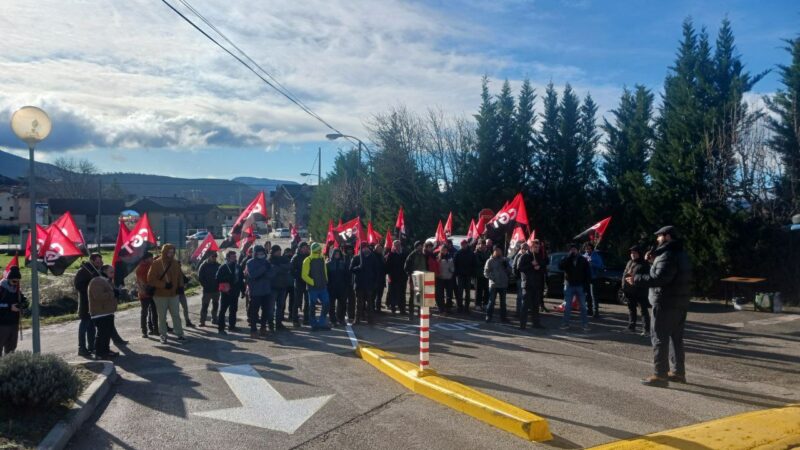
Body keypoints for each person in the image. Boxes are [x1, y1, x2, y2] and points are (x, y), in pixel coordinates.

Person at [626, 226, 692, 388]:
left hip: (665, 302)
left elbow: (659, 278)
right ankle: (678, 372)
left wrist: (636, 278)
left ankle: (660, 375)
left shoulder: (667, 255)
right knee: (675, 338)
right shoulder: (681, 254)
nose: (657, 239)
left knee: (659, 338)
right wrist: (653, 261)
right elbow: (668, 274)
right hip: (680, 302)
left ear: (667, 237)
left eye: (659, 236)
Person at [147, 244, 186, 343]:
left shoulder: (176, 263)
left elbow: (180, 276)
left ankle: (180, 334)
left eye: (173, 252)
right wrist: (163, 285)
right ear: (164, 252)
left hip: (174, 294)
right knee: (162, 316)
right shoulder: (156, 263)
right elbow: (151, 280)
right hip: (160, 295)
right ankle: (163, 335)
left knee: (176, 315)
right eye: (169, 252)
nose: (171, 254)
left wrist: (181, 287)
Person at [75, 253, 103, 357]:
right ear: (91, 261)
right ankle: (81, 348)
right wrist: (90, 286)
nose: (99, 263)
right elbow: (78, 285)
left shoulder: (96, 271)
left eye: (100, 262)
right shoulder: (83, 271)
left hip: (94, 304)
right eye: (97, 262)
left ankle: (92, 346)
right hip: (85, 303)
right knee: (84, 325)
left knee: (92, 327)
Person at [89, 265, 120, 359]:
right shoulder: (96, 281)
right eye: (111, 272)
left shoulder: (106, 281)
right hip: (100, 312)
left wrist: (116, 292)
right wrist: (113, 293)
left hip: (107, 311)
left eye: (113, 272)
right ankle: (100, 353)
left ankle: (105, 350)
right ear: (104, 271)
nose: (113, 274)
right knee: (102, 334)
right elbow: (98, 296)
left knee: (107, 333)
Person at [559, 243, 591, 331]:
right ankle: (565, 324)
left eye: (575, 249)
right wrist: (569, 257)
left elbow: (587, 274)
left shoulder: (583, 260)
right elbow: (560, 266)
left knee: (583, 307)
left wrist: (586, 286)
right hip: (569, 285)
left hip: (580, 286)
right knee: (568, 306)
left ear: (578, 250)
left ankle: (585, 324)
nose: (573, 251)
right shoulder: (566, 259)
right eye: (571, 249)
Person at [246, 245, 275, 338]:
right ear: (255, 253)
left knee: (265, 311)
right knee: (254, 312)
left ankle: (263, 328)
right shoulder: (250, 262)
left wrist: (264, 273)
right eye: (259, 253)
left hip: (266, 290)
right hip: (255, 292)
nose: (261, 254)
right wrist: (263, 269)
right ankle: (253, 330)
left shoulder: (267, 262)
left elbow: (271, 274)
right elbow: (253, 275)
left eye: (262, 253)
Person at [516, 242, 545, 330]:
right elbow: (519, 268)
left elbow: (543, 268)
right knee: (525, 305)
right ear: (531, 247)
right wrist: (531, 265)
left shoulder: (538, 256)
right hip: (527, 284)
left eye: (538, 247)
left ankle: (536, 323)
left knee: (535, 305)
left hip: (536, 285)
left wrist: (539, 268)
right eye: (535, 247)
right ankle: (522, 325)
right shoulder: (524, 256)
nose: (537, 249)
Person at [302, 242, 331, 330]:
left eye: (319, 249)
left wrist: (326, 280)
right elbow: (304, 275)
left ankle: (322, 323)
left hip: (323, 287)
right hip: (313, 288)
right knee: (312, 306)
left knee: (326, 303)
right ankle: (313, 324)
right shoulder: (308, 260)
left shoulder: (322, 258)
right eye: (318, 250)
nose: (319, 251)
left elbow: (324, 270)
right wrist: (313, 282)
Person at [623, 246, 651, 336]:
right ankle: (631, 327)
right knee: (631, 310)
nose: (632, 254)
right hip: (629, 291)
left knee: (643, 310)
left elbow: (647, 278)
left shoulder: (644, 264)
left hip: (640, 291)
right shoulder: (629, 262)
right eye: (631, 253)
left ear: (639, 253)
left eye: (635, 253)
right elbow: (625, 274)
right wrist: (623, 287)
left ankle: (646, 330)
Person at [0, 267, 27, 356]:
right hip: (2, 324)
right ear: (9, 279)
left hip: (14, 323)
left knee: (11, 348)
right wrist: (9, 307)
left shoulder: (17, 290)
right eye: (14, 281)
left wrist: (23, 304)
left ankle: (8, 367)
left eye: (18, 281)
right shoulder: (1, 288)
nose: (16, 283)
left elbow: (25, 301)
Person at [350, 244, 379, 324]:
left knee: (370, 303)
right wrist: (359, 267)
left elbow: (376, 271)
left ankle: (370, 320)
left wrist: (375, 282)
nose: (365, 249)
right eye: (363, 248)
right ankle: (357, 319)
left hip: (369, 284)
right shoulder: (356, 258)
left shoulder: (373, 258)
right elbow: (351, 269)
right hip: (359, 284)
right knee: (359, 303)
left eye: (366, 247)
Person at [216, 250, 243, 335]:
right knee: (223, 310)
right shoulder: (223, 267)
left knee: (233, 310)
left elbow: (241, 279)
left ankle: (232, 326)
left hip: (235, 292)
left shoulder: (238, 266)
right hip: (226, 293)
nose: (235, 258)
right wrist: (228, 278)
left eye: (235, 256)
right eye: (233, 257)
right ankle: (221, 328)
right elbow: (217, 278)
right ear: (227, 258)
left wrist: (243, 290)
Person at [483, 245, 511, 323]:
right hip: (494, 285)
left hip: (503, 284)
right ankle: (488, 316)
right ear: (494, 251)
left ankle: (503, 317)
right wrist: (493, 278)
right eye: (497, 250)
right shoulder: (490, 261)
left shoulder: (505, 260)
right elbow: (486, 272)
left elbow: (510, 271)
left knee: (503, 302)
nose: (499, 252)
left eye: (500, 250)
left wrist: (506, 266)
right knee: (491, 302)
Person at [269, 245, 292, 331]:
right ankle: (270, 324)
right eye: (277, 251)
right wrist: (282, 268)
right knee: (271, 308)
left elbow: (289, 266)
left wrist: (279, 267)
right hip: (272, 287)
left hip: (283, 286)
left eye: (279, 250)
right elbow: (272, 270)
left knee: (280, 306)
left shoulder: (284, 258)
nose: (279, 252)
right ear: (273, 251)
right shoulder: (269, 260)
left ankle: (278, 323)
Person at [136, 252, 158, 337]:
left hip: (152, 292)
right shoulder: (140, 268)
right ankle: (144, 331)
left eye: (152, 257)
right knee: (145, 313)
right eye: (150, 258)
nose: (152, 259)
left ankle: (155, 329)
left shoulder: (151, 265)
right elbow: (142, 282)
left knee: (154, 312)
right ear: (145, 259)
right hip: (145, 294)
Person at [404, 241, 427, 316]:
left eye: (421, 246)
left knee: (420, 295)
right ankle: (411, 312)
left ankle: (419, 312)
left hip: (422, 277)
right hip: (414, 278)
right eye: (419, 246)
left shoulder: (424, 255)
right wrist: (411, 274)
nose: (421, 247)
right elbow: (406, 267)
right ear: (416, 246)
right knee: (412, 295)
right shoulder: (412, 255)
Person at [198, 252, 221, 327]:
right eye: (213, 256)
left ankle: (214, 319)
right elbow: (200, 278)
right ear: (209, 256)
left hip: (216, 290)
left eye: (215, 256)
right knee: (205, 306)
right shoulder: (203, 265)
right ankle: (202, 321)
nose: (214, 257)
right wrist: (205, 286)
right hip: (207, 290)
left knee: (215, 305)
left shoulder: (218, 265)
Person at [327, 248, 348, 326]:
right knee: (331, 305)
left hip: (342, 287)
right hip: (331, 288)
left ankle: (341, 319)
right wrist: (327, 286)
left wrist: (346, 286)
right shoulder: (328, 264)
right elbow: (326, 277)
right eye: (335, 254)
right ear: (332, 254)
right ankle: (333, 320)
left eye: (338, 254)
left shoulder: (343, 264)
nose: (337, 255)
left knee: (342, 304)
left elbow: (347, 276)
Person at [453, 239, 476, 314]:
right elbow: (454, 264)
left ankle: (466, 307)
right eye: (462, 244)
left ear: (467, 244)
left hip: (468, 275)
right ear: (461, 245)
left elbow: (473, 264)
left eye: (465, 244)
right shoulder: (457, 253)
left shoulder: (471, 253)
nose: (464, 245)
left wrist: (472, 273)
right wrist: (456, 273)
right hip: (460, 276)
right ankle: (459, 307)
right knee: (460, 292)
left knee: (468, 293)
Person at [290, 242, 310, 327]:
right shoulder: (296, 257)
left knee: (308, 301)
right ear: (300, 248)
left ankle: (306, 319)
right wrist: (299, 274)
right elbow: (291, 270)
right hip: (299, 282)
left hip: (308, 282)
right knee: (297, 301)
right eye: (303, 247)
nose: (305, 249)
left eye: (306, 247)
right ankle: (295, 320)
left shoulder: (309, 256)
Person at [385, 240, 407, 314]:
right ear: (393, 246)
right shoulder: (391, 254)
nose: (397, 246)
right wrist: (389, 275)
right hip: (393, 277)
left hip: (402, 277)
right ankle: (393, 308)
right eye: (396, 245)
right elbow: (387, 266)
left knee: (402, 293)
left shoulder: (404, 254)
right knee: (393, 293)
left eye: (399, 245)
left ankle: (402, 309)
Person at [583, 242, 604, 318]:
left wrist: (592, 263)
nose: (587, 250)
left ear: (592, 248)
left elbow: (601, 266)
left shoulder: (596, 256)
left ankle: (596, 312)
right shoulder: (584, 256)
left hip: (594, 278)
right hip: (586, 278)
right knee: (587, 295)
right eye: (586, 248)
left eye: (589, 248)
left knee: (594, 295)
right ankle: (589, 310)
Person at [435, 245, 455, 314]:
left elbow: (452, 266)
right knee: (440, 294)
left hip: (449, 278)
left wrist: (452, 271)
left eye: (445, 250)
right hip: (440, 278)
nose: (444, 251)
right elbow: (436, 267)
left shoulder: (450, 257)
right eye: (443, 250)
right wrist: (438, 274)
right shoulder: (438, 257)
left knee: (449, 294)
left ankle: (448, 308)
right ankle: (441, 308)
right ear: (441, 250)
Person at [474, 240, 491, 312]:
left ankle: (485, 303)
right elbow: (477, 263)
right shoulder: (476, 253)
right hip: (479, 274)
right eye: (480, 244)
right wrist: (485, 262)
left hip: (487, 274)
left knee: (486, 289)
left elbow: (490, 262)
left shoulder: (489, 252)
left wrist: (485, 263)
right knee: (478, 290)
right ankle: (478, 304)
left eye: (483, 244)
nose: (481, 246)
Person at [342, 244, 357, 322]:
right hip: (345, 282)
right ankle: (343, 313)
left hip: (353, 282)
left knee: (352, 299)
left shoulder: (355, 257)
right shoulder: (344, 258)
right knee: (343, 299)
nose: (349, 251)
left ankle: (351, 314)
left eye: (351, 249)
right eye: (348, 249)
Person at [372, 244, 387, 313]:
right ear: (375, 249)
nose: (380, 250)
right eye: (379, 249)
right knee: (373, 295)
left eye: (381, 249)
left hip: (381, 278)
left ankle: (378, 308)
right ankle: (372, 309)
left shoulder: (382, 256)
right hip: (375, 279)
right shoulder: (372, 256)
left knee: (380, 295)